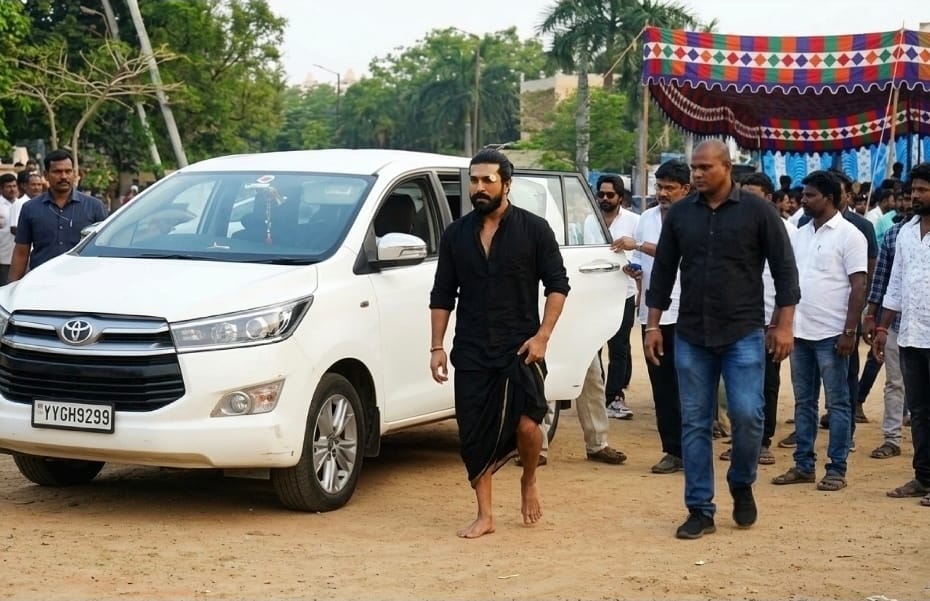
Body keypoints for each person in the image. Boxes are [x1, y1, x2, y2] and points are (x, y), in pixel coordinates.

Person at [645, 140, 800, 539]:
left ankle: (741, 480)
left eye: (704, 168)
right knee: (694, 423)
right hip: (692, 334)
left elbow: (785, 271)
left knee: (748, 415)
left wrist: (784, 325)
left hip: (742, 332)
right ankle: (700, 509)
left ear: (727, 168)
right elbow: (662, 272)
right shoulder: (680, 214)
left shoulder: (758, 212)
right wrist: (653, 324)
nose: (696, 174)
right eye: (693, 168)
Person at [429, 149, 570, 538]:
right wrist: (436, 346)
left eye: (488, 180)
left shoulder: (535, 229)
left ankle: (528, 479)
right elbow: (442, 294)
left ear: (507, 184)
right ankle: (485, 515)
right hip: (472, 348)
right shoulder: (456, 234)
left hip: (521, 347)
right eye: (474, 180)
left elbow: (558, 286)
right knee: (474, 433)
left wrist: (542, 337)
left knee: (527, 425)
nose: (479, 187)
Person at [771, 171, 867, 492]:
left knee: (838, 404)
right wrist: (780, 322)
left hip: (832, 334)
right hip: (800, 332)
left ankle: (836, 468)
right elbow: (789, 282)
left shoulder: (850, 235)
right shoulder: (801, 234)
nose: (803, 200)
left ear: (827, 198)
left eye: (810, 195)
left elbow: (859, 285)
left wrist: (849, 331)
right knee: (803, 402)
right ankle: (803, 465)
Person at [613, 159, 691, 474]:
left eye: (669, 188)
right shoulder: (646, 217)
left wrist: (641, 246)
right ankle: (673, 450)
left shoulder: (695, 216)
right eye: (659, 187)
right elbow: (640, 261)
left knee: (690, 383)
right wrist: (633, 270)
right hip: (654, 314)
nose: (662, 193)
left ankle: (694, 448)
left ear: (686, 189)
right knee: (662, 384)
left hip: (689, 311)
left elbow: (683, 253)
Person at [716, 172, 795, 466]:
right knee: (735, 383)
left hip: (769, 320)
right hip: (736, 319)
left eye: (754, 194)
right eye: (743, 192)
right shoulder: (728, 225)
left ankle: (763, 442)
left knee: (767, 383)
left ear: (770, 199)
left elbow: (790, 279)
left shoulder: (788, 230)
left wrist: (782, 323)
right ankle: (740, 439)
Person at [876, 162, 930, 506]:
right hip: (910, 335)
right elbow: (894, 285)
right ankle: (924, 477)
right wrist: (882, 326)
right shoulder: (904, 232)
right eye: (913, 191)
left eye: (923, 190)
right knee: (922, 413)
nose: (915, 197)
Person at [861, 193, 913, 460]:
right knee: (895, 383)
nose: (911, 200)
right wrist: (874, 318)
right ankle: (891, 438)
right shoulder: (894, 234)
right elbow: (882, 280)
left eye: (920, 191)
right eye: (908, 195)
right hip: (896, 323)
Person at [9, 149, 109, 281]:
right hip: (40, 281)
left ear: (74, 173)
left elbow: (105, 249)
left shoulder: (95, 207)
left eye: (68, 171)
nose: (64, 176)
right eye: (57, 172)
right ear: (46, 175)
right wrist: (11, 288)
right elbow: (21, 252)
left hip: (83, 281)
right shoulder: (30, 208)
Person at [596, 174, 639, 419]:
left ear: (620, 197)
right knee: (593, 346)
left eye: (609, 195)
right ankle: (597, 393)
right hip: (595, 292)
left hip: (623, 292)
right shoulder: (589, 219)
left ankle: (614, 396)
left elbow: (642, 250)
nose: (604, 198)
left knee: (619, 345)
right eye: (601, 194)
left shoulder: (634, 221)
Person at [10, 172, 45, 238]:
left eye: (39, 185)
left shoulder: (45, 203)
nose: (36, 188)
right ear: (25, 186)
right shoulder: (19, 203)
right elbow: (14, 229)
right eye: (33, 185)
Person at [0, 173, 18, 284]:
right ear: (1, 188)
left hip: (21, 255)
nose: (12, 189)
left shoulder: (22, 204)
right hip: (3, 256)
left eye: (14, 186)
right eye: (8, 186)